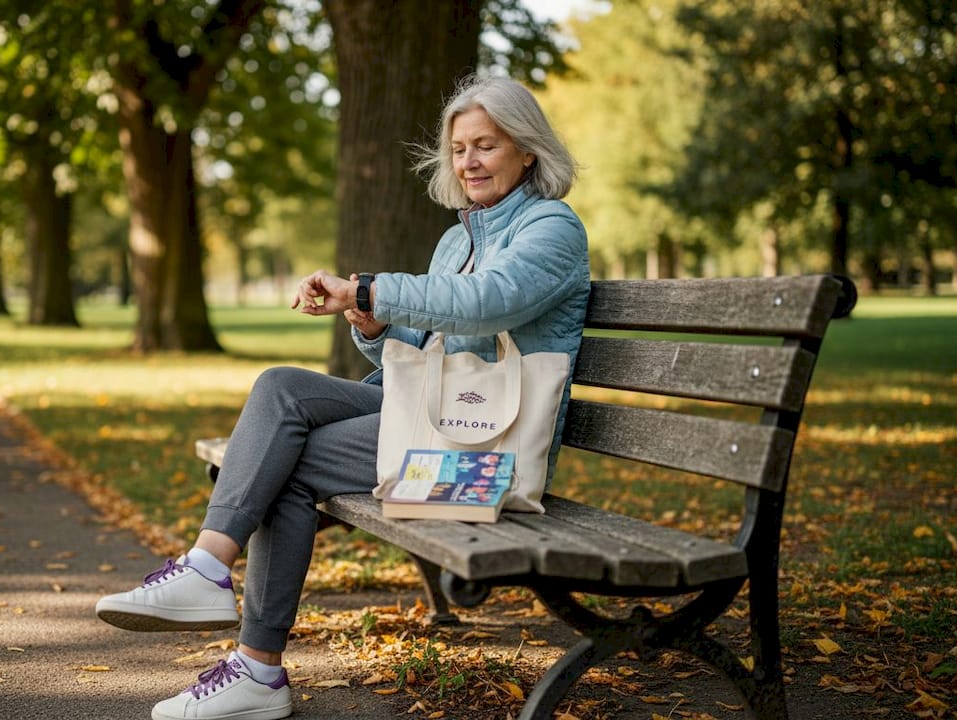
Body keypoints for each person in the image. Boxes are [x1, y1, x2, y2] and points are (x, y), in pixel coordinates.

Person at [94, 74, 590, 720]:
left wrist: (371, 290)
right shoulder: (456, 239)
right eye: (459, 148)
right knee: (280, 389)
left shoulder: (553, 229)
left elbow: (486, 302)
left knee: (287, 460)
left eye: (486, 146)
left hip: (485, 458)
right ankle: (209, 573)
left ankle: (256, 669)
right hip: (433, 421)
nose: (468, 161)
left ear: (527, 150)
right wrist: (373, 323)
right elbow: (414, 349)